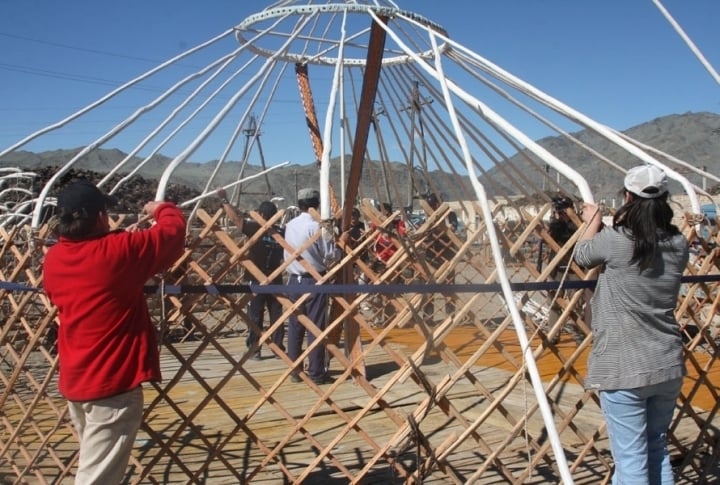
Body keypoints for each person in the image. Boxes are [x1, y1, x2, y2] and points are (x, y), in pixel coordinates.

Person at [43, 179, 186, 484]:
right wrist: (162, 208)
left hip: (76, 381)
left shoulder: (54, 258)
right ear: (99, 217)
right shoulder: (118, 251)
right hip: (112, 385)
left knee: (96, 465)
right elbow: (172, 234)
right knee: (96, 479)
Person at [574, 165, 689, 484]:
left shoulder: (617, 239)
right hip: (666, 362)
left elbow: (582, 256)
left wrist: (592, 222)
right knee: (657, 449)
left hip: (625, 365)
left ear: (627, 197)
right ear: (666, 199)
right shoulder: (679, 244)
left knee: (631, 459)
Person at [284, 188, 348, 384]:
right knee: (316, 327)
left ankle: (295, 370)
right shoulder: (318, 227)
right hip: (314, 280)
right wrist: (341, 244)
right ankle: (316, 372)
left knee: (295, 326)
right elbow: (330, 255)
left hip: (293, 280)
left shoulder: (290, 225)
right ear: (317, 204)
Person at [217, 188, 285, 360]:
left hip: (255, 280)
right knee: (276, 314)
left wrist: (224, 200)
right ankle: (278, 349)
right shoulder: (280, 233)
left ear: (260, 214)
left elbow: (235, 219)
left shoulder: (254, 227)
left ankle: (255, 349)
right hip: (275, 278)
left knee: (255, 315)